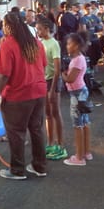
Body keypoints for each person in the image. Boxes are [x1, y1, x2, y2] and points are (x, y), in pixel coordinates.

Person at [0, 12, 48, 180]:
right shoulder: (36, 43)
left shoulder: (7, 44)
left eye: (4, 25)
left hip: (17, 95)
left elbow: (4, 75)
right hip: (39, 92)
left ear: (8, 26)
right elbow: (44, 65)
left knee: (16, 133)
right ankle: (39, 166)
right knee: (37, 129)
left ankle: (17, 169)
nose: (2, 28)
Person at [37, 19, 66, 160]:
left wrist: (53, 90)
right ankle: (50, 142)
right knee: (47, 114)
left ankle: (61, 145)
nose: (38, 32)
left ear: (47, 28)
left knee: (56, 112)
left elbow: (57, 69)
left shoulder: (54, 44)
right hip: (43, 80)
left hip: (53, 81)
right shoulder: (40, 43)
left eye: (40, 29)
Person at [62, 34, 92, 167]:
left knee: (77, 124)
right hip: (81, 92)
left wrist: (63, 74)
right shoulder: (78, 59)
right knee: (84, 122)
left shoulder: (78, 60)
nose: (67, 46)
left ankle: (79, 156)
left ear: (77, 46)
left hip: (77, 94)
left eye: (70, 44)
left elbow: (70, 79)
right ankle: (85, 152)